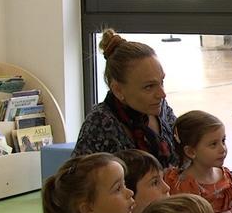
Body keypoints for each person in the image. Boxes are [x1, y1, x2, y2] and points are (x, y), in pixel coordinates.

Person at [74, 29, 179, 167]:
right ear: (118, 90)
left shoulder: (162, 109)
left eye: (162, 82)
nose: (162, 94)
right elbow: (79, 184)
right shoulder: (100, 123)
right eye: (149, 87)